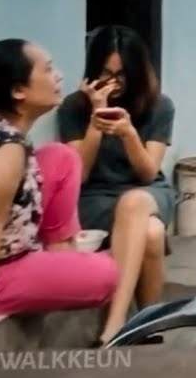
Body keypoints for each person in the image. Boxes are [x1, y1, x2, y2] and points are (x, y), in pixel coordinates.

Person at [0, 39, 119, 340]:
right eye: (47, 70)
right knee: (106, 275)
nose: (58, 76)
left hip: (7, 245)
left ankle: (58, 254)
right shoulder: (6, 148)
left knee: (62, 158)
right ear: (18, 91)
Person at [58, 25, 177, 346]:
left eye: (122, 74)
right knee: (151, 234)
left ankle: (115, 323)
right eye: (105, 72)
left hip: (148, 192)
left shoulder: (158, 105)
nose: (113, 82)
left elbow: (148, 173)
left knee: (135, 202)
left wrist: (128, 133)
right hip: (94, 197)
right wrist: (96, 119)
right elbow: (78, 175)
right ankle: (148, 325)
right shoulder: (73, 107)